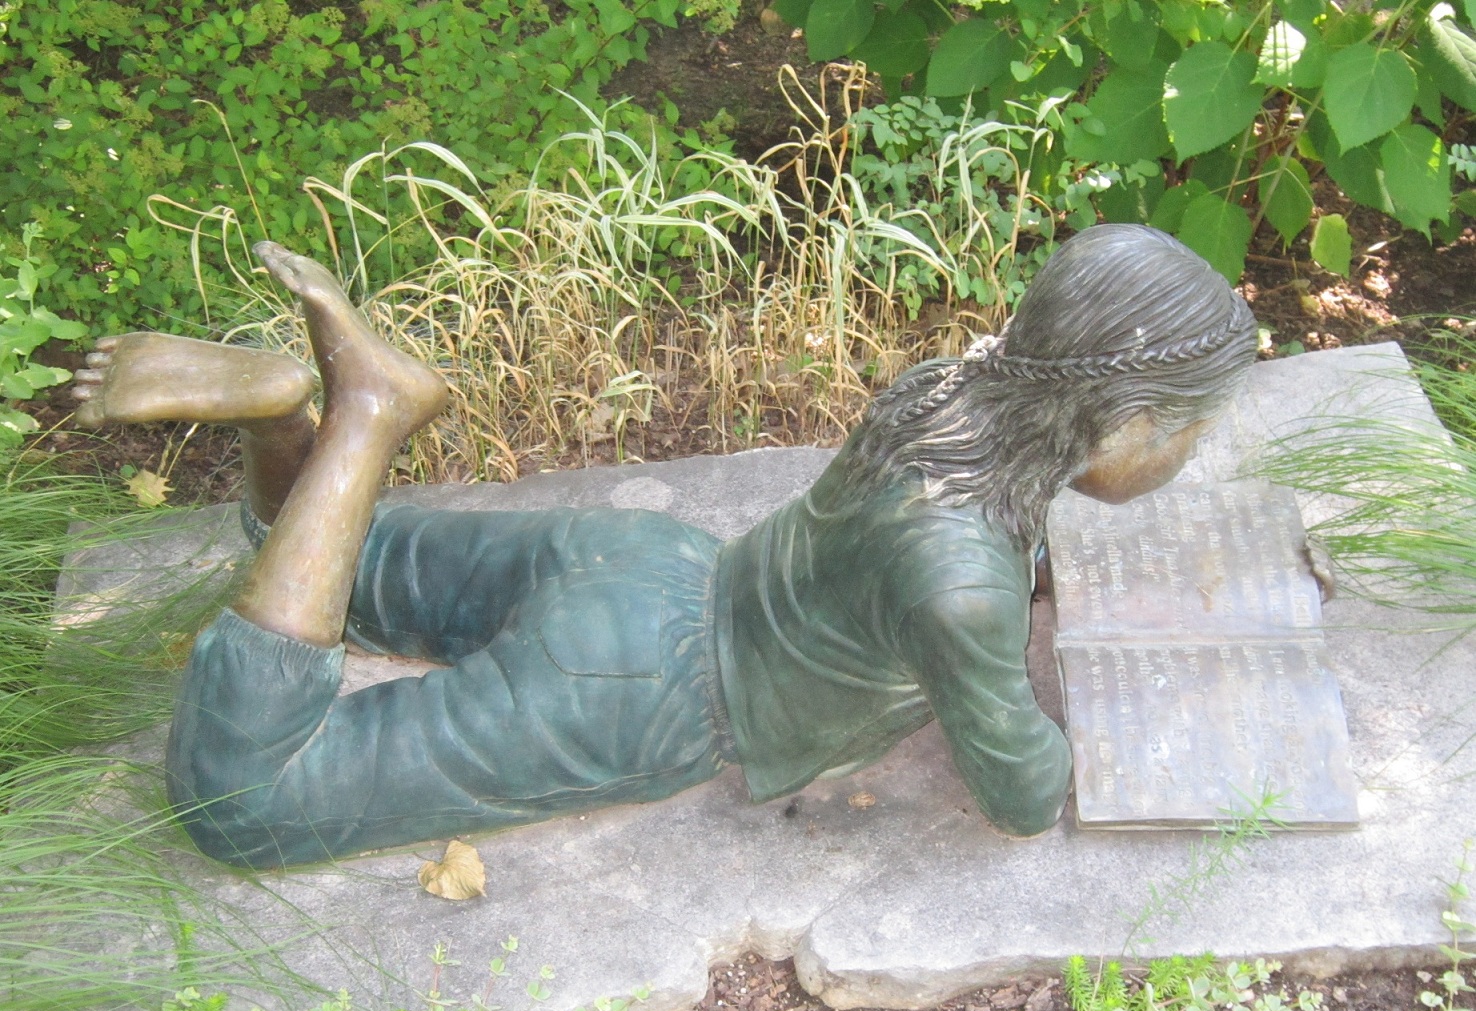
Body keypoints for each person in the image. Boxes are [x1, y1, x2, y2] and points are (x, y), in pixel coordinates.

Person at [73, 224, 1257, 870]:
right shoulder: (962, 589)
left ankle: (290, 427)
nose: (1187, 452)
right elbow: (1022, 792)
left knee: (349, 554)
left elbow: (950, 544)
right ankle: (366, 414)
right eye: (1189, 430)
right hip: (635, 699)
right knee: (246, 799)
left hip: (648, 563)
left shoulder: (948, 390)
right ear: (1124, 422)